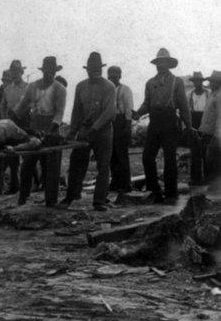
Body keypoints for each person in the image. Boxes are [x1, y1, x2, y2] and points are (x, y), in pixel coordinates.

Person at [133, 48, 195, 204]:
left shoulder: (177, 82)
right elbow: (146, 103)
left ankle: (171, 193)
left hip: (170, 121)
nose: (160, 65)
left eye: (163, 62)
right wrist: (137, 113)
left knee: (169, 159)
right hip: (154, 121)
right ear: (156, 64)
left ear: (168, 64)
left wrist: (189, 126)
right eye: (158, 62)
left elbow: (183, 106)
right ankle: (154, 190)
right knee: (147, 156)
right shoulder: (150, 82)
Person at [60, 52, 115, 211]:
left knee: (103, 166)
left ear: (101, 69)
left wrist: (93, 129)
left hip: (103, 131)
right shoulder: (80, 86)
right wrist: (72, 131)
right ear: (87, 69)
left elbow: (109, 112)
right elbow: (77, 111)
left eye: (97, 69)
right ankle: (70, 196)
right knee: (76, 162)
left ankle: (99, 201)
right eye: (91, 69)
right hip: (84, 130)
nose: (94, 72)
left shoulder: (109, 87)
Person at [14, 56, 67, 206]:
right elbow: (22, 105)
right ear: (43, 70)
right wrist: (13, 118)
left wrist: (50, 130)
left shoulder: (60, 89)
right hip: (35, 126)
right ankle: (22, 199)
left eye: (52, 71)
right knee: (27, 165)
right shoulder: (33, 86)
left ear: (55, 72)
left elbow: (59, 112)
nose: (49, 74)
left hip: (52, 129)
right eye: (47, 71)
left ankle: (50, 202)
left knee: (51, 168)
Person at [0, 60, 28, 194]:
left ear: (22, 72)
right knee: (12, 156)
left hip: (25, 122)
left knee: (27, 155)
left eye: (17, 71)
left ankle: (26, 186)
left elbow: (33, 103)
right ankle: (14, 185)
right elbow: (3, 105)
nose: (15, 73)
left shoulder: (28, 87)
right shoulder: (7, 89)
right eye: (13, 71)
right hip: (11, 124)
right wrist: (4, 118)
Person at [107, 66, 134, 202]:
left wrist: (127, 126)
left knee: (121, 153)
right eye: (110, 76)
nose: (112, 78)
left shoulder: (125, 90)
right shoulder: (107, 89)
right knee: (112, 155)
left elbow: (128, 108)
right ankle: (115, 182)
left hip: (121, 122)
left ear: (120, 76)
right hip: (110, 122)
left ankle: (125, 184)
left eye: (115, 76)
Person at [187, 71, 211, 185]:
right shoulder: (190, 95)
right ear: (193, 82)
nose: (197, 83)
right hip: (194, 124)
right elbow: (187, 111)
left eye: (199, 81)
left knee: (206, 152)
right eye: (195, 81)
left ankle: (207, 178)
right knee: (195, 152)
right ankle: (195, 179)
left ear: (202, 82)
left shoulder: (208, 94)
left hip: (205, 122)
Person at [199, 70, 221, 184]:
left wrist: (216, 137)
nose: (211, 84)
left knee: (212, 162)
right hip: (206, 133)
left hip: (214, 136)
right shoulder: (212, 94)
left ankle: (214, 190)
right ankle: (210, 188)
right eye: (211, 81)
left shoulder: (219, 96)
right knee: (207, 161)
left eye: (214, 82)